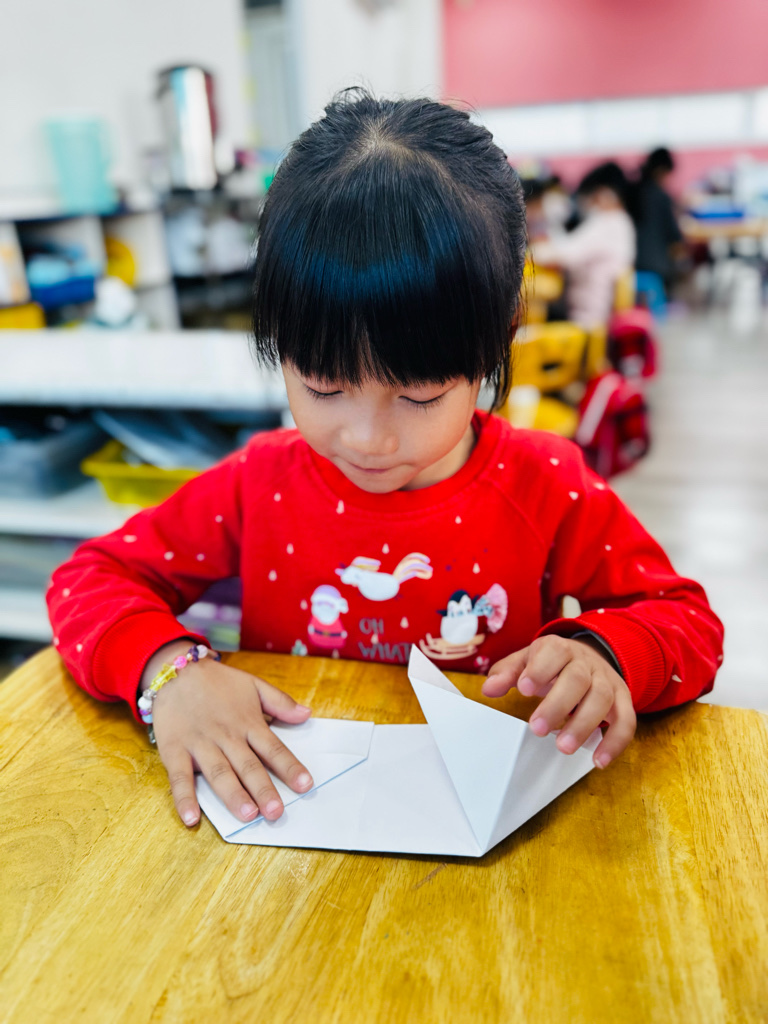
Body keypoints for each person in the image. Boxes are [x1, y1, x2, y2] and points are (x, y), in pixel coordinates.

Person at [47, 91, 723, 831]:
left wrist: (607, 654)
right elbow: (88, 580)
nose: (367, 439)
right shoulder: (258, 483)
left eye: (419, 395)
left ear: (498, 336)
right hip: (290, 827)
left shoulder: (546, 485)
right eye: (323, 386)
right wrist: (170, 671)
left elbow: (687, 621)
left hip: (490, 835)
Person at [531, 162, 636, 327]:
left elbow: (565, 254)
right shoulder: (621, 222)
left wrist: (530, 251)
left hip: (589, 318)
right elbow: (572, 246)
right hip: (599, 313)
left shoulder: (607, 223)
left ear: (605, 194)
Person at [632, 147, 684, 298]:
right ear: (661, 171)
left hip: (631, 264)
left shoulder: (632, 191)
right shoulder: (661, 197)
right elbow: (674, 237)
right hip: (658, 269)